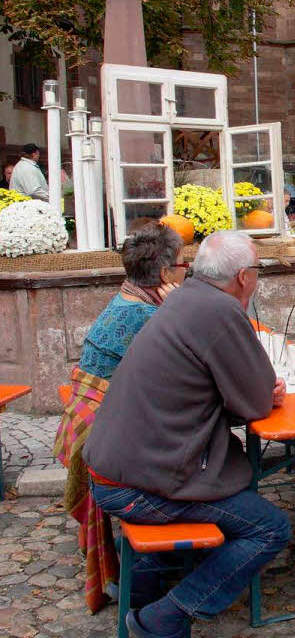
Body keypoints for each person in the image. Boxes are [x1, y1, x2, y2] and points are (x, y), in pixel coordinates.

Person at [84, 231, 291, 637]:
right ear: (244, 277)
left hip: (114, 466)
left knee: (232, 495)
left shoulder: (182, 296)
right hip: (137, 485)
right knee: (270, 528)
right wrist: (264, 391)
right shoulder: (221, 310)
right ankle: (164, 617)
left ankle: (139, 585)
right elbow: (254, 403)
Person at [52, 224, 186, 614]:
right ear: (165, 275)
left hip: (99, 432)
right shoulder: (150, 317)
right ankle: (153, 587)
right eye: (183, 265)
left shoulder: (127, 300)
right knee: (215, 462)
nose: (186, 272)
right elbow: (188, 382)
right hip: (121, 452)